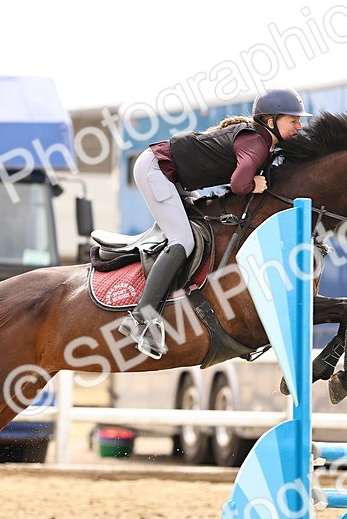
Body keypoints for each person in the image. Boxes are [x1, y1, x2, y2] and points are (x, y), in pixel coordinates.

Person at [121, 87, 310, 358]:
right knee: (183, 240)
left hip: (175, 178)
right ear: (271, 122)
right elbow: (239, 184)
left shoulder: (262, 142)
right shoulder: (257, 143)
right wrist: (253, 184)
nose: (299, 126)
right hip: (156, 170)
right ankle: (141, 317)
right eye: (293, 120)